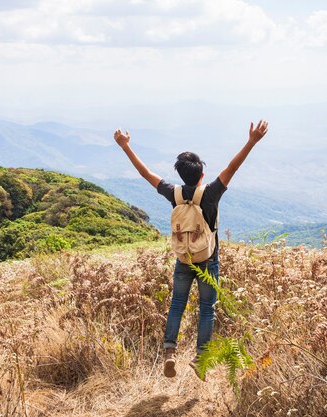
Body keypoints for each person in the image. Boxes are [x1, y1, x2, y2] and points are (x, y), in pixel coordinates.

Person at [113, 120, 269, 378]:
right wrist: (252, 141)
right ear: (202, 175)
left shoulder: (172, 193)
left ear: (181, 174)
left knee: (177, 304)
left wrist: (125, 146)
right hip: (208, 258)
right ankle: (200, 358)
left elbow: (145, 173)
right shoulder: (210, 193)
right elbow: (233, 167)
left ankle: (170, 352)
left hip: (183, 259)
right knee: (207, 308)